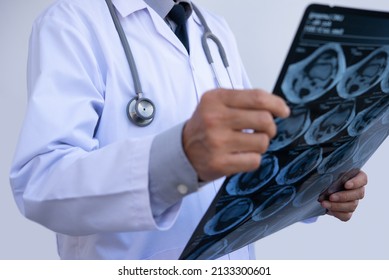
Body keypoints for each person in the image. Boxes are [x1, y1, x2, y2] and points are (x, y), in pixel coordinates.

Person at [10, 0, 366, 260]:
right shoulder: (71, 22)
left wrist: (316, 187)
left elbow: (247, 157)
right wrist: (178, 158)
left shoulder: (214, 30)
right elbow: (42, 183)